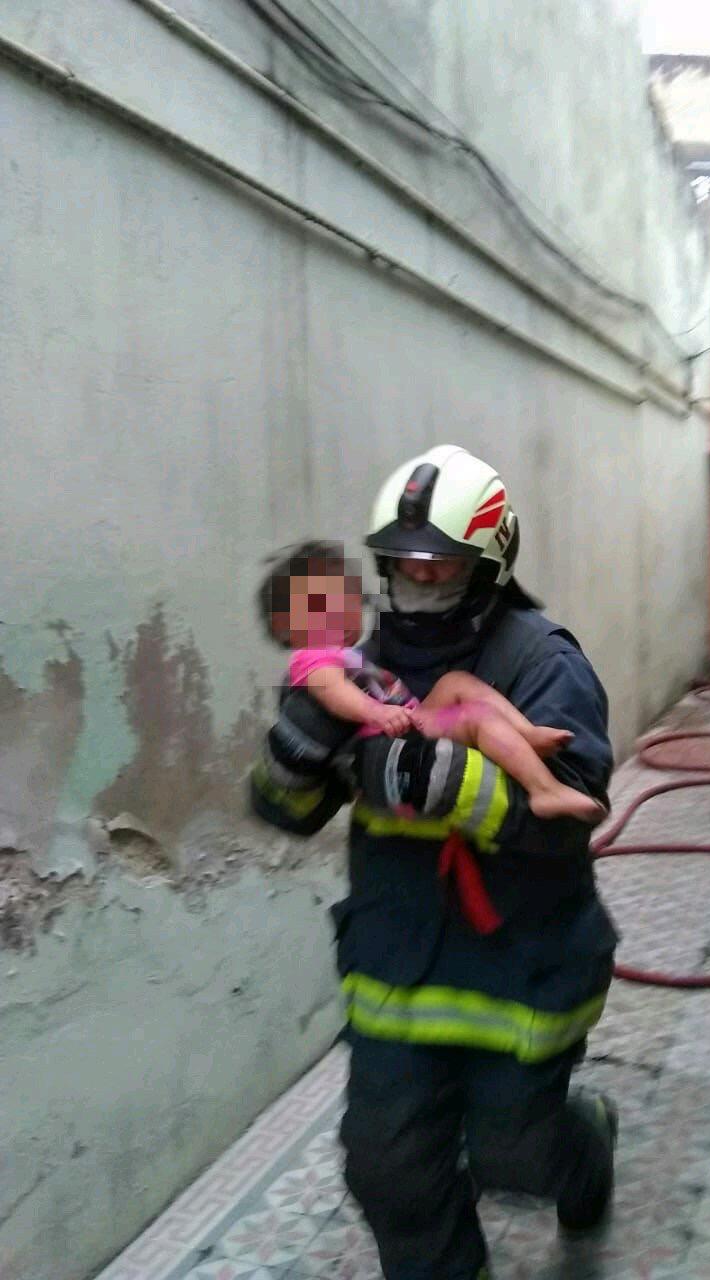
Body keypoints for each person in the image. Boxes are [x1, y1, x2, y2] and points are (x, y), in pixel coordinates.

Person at [251, 445, 620, 1280]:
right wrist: (296, 754)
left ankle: (583, 1147)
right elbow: (290, 812)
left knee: (514, 1158)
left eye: (441, 569)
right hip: (398, 968)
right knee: (389, 1172)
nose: (418, 585)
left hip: (522, 969)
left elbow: (572, 815)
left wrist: (455, 784)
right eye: (404, 567)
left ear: (487, 568)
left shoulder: (542, 662)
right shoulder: (356, 667)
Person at [257, 541, 606, 825]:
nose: (421, 573)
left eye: (440, 559)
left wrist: (442, 777)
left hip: (503, 903)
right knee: (475, 716)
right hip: (393, 730)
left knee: (457, 682)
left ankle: (528, 737)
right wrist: (296, 762)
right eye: (406, 558)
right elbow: (332, 693)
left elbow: (569, 831)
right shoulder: (324, 655)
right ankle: (542, 788)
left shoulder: (545, 659)